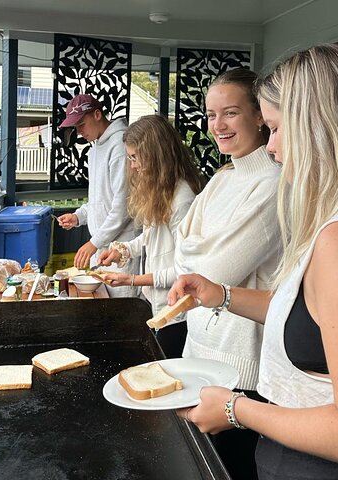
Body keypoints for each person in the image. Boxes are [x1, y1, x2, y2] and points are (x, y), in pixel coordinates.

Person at [168, 44, 338, 479]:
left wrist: (235, 408)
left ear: (318, 127)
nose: (272, 147)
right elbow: (315, 318)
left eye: (277, 128)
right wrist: (219, 295)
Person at [173, 68, 282, 480]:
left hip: (243, 367)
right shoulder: (223, 178)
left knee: (231, 470)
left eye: (230, 113)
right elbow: (184, 251)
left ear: (260, 116)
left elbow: (215, 270)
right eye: (211, 114)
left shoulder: (273, 182)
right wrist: (201, 249)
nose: (217, 125)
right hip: (198, 349)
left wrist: (199, 249)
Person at [97, 115, 204, 356]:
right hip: (158, 305)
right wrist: (122, 250)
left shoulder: (182, 198)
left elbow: (186, 271)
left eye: (135, 157)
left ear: (157, 155)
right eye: (130, 157)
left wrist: (133, 280)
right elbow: (150, 237)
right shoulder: (161, 189)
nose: (133, 165)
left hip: (177, 313)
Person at [57, 93, 139, 297]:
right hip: (103, 247)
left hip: (122, 249)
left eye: (81, 124)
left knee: (122, 312)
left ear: (97, 114)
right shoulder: (95, 148)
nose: (79, 132)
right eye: (76, 128)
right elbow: (99, 199)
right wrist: (79, 216)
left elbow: (123, 207)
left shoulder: (120, 147)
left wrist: (93, 243)